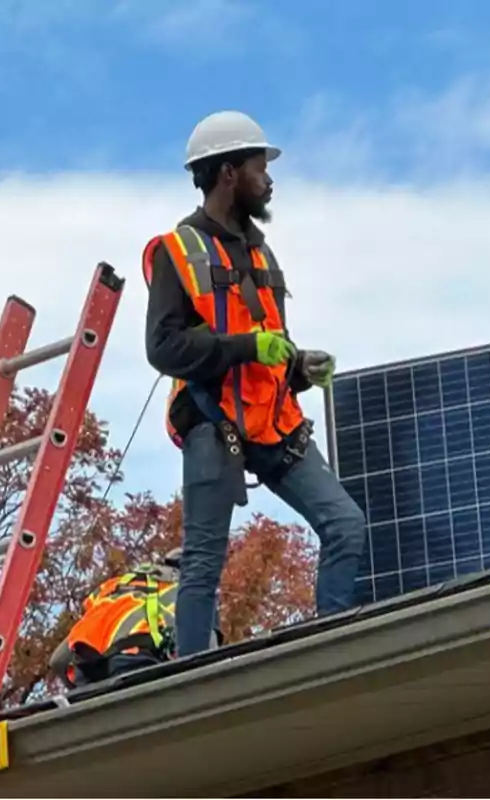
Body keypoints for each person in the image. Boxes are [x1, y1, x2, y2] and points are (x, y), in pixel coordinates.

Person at [141, 110, 367, 658]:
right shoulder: (179, 250)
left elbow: (270, 346)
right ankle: (191, 679)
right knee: (203, 563)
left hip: (274, 422)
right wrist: (246, 348)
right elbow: (163, 348)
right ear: (228, 173)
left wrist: (298, 366)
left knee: (346, 524)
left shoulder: (260, 253)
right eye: (259, 167)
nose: (269, 180)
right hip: (213, 422)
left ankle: (330, 645)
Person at [47, 549, 217, 687]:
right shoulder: (190, 593)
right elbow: (208, 647)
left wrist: (78, 695)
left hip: (90, 671)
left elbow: (58, 660)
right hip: (136, 664)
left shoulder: (112, 588)